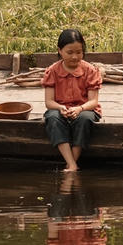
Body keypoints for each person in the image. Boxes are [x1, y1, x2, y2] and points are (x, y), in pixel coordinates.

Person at [41, 28, 102, 172]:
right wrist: (61, 108)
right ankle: (72, 163)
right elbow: (49, 102)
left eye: (79, 52)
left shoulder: (90, 71)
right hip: (61, 110)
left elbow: (93, 102)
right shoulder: (52, 71)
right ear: (60, 51)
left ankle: (72, 163)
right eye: (70, 52)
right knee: (52, 117)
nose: (75, 57)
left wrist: (79, 109)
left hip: (84, 110)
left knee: (84, 118)